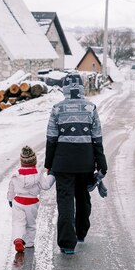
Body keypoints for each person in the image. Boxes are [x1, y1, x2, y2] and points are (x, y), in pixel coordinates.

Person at [45, 71, 108, 254]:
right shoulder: (91, 108)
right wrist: (101, 164)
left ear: (64, 88)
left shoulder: (57, 109)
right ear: (81, 87)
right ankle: (81, 232)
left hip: (63, 164)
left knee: (65, 202)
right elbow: (97, 139)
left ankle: (66, 244)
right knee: (83, 199)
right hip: (85, 163)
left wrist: (49, 164)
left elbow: (51, 139)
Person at [7, 146, 55, 253]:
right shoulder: (38, 174)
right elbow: (46, 186)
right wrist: (52, 175)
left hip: (18, 202)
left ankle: (18, 239)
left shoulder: (16, 175)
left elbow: (11, 189)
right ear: (34, 161)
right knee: (31, 224)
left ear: (21, 161)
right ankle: (29, 243)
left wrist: (10, 199)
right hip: (32, 203)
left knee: (18, 223)